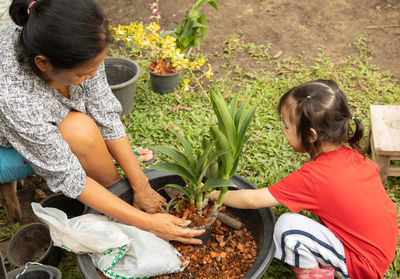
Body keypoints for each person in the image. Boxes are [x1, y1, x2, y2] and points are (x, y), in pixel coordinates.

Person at [0, 0, 204, 244]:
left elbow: (105, 112)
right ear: (43, 63)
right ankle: (122, 203)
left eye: (96, 67)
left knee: (85, 128)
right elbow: (68, 176)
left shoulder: (82, 41)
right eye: (82, 74)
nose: (93, 76)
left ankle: (124, 198)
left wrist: (142, 186)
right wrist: (148, 223)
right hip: (9, 144)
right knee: (80, 130)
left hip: (44, 123)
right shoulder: (15, 96)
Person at [211, 80, 398, 279]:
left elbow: (254, 200)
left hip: (364, 266)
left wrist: (214, 193)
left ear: (310, 135)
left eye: (286, 127)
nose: (284, 132)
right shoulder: (356, 158)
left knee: (287, 228)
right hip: (381, 247)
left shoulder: (315, 178)